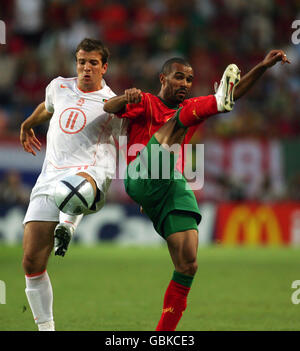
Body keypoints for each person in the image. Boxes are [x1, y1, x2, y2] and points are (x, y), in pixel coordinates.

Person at [104, 50, 290, 331]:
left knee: (188, 263)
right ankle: (214, 103)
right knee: (180, 120)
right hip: (140, 174)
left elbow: (235, 92)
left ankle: (163, 335)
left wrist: (263, 67)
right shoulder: (145, 100)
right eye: (179, 77)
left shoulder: (190, 105)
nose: (185, 84)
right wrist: (126, 96)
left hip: (171, 185)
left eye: (190, 79)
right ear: (163, 78)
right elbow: (108, 107)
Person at [20, 38, 122, 331]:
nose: (86, 68)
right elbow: (47, 107)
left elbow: (134, 134)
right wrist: (28, 123)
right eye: (81, 62)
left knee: (72, 189)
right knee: (31, 262)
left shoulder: (112, 103)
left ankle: (68, 225)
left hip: (92, 175)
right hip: (49, 176)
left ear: (104, 67)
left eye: (93, 63)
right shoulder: (59, 86)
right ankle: (47, 329)